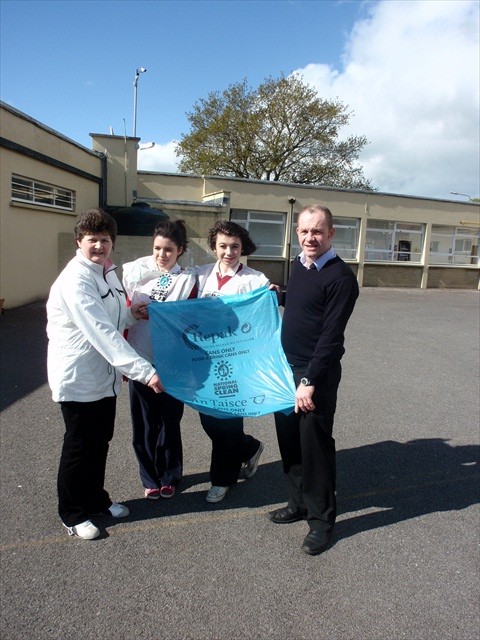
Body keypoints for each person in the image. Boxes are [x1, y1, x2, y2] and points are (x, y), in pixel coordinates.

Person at [46, 208, 164, 541]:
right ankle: (72, 513)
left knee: (100, 441)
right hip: (80, 377)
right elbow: (100, 331)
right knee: (79, 446)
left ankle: (95, 499)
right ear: (79, 242)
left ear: (113, 242)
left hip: (104, 376)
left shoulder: (107, 272)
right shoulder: (76, 279)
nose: (99, 246)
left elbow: (112, 318)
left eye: (105, 240)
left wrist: (131, 314)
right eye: (92, 240)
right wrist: (144, 372)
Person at [269, 204, 359, 555]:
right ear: (297, 233)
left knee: (314, 447)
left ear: (331, 234)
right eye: (305, 231)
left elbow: (331, 337)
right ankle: (298, 503)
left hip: (314, 374)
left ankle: (321, 522)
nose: (310, 237)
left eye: (318, 231)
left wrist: (308, 381)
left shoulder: (341, 278)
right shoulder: (300, 264)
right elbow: (303, 304)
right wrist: (280, 295)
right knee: (290, 442)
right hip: (285, 369)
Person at [122, 219, 197, 500]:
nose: (161, 255)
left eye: (168, 250)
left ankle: (169, 475)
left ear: (180, 251)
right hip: (141, 358)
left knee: (169, 421)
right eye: (157, 248)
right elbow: (122, 313)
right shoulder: (136, 274)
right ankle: (149, 477)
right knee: (143, 423)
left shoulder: (188, 280)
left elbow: (196, 316)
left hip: (172, 362)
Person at [196, 220, 268, 503]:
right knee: (210, 422)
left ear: (243, 248)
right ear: (214, 246)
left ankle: (222, 480)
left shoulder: (255, 280)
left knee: (226, 421)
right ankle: (249, 447)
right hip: (203, 361)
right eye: (223, 246)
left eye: (235, 246)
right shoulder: (199, 275)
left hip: (236, 364)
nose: (229, 252)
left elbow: (264, 314)